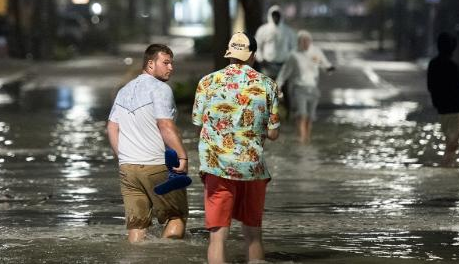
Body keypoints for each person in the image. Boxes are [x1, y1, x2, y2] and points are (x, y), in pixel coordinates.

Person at [192, 32, 280, 263]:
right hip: (253, 169)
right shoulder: (268, 85)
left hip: (217, 168)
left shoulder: (207, 82)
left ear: (229, 53)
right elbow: (273, 133)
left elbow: (197, 124)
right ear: (252, 55)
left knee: (217, 238)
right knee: (253, 236)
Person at [106, 44, 189, 243]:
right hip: (156, 165)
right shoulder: (160, 89)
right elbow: (165, 125)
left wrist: (124, 157)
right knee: (176, 217)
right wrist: (182, 155)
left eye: (172, 63)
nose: (171, 68)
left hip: (128, 169)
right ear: (150, 64)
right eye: (166, 63)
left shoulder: (124, 91)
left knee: (137, 225)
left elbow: (111, 127)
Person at [427, 32, 459, 166]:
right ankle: (447, 165)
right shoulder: (455, 67)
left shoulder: (433, 64)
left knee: (449, 139)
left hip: (443, 109)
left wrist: (436, 103)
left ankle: (449, 165)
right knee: (453, 141)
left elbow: (430, 86)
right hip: (457, 110)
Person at [276, 30, 334, 144]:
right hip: (299, 88)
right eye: (303, 41)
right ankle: (302, 139)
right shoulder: (294, 55)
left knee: (310, 117)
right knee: (302, 114)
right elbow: (285, 71)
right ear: (299, 42)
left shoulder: (316, 52)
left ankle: (307, 137)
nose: (306, 43)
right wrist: (278, 84)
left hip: (313, 88)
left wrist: (329, 68)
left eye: (308, 41)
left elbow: (325, 64)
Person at [254, 5, 296, 80]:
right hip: (268, 66)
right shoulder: (263, 30)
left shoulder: (288, 31)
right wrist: (261, 59)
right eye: (274, 15)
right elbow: (257, 46)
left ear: (281, 16)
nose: (276, 17)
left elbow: (293, 47)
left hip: (283, 66)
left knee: (283, 89)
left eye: (278, 15)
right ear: (270, 16)